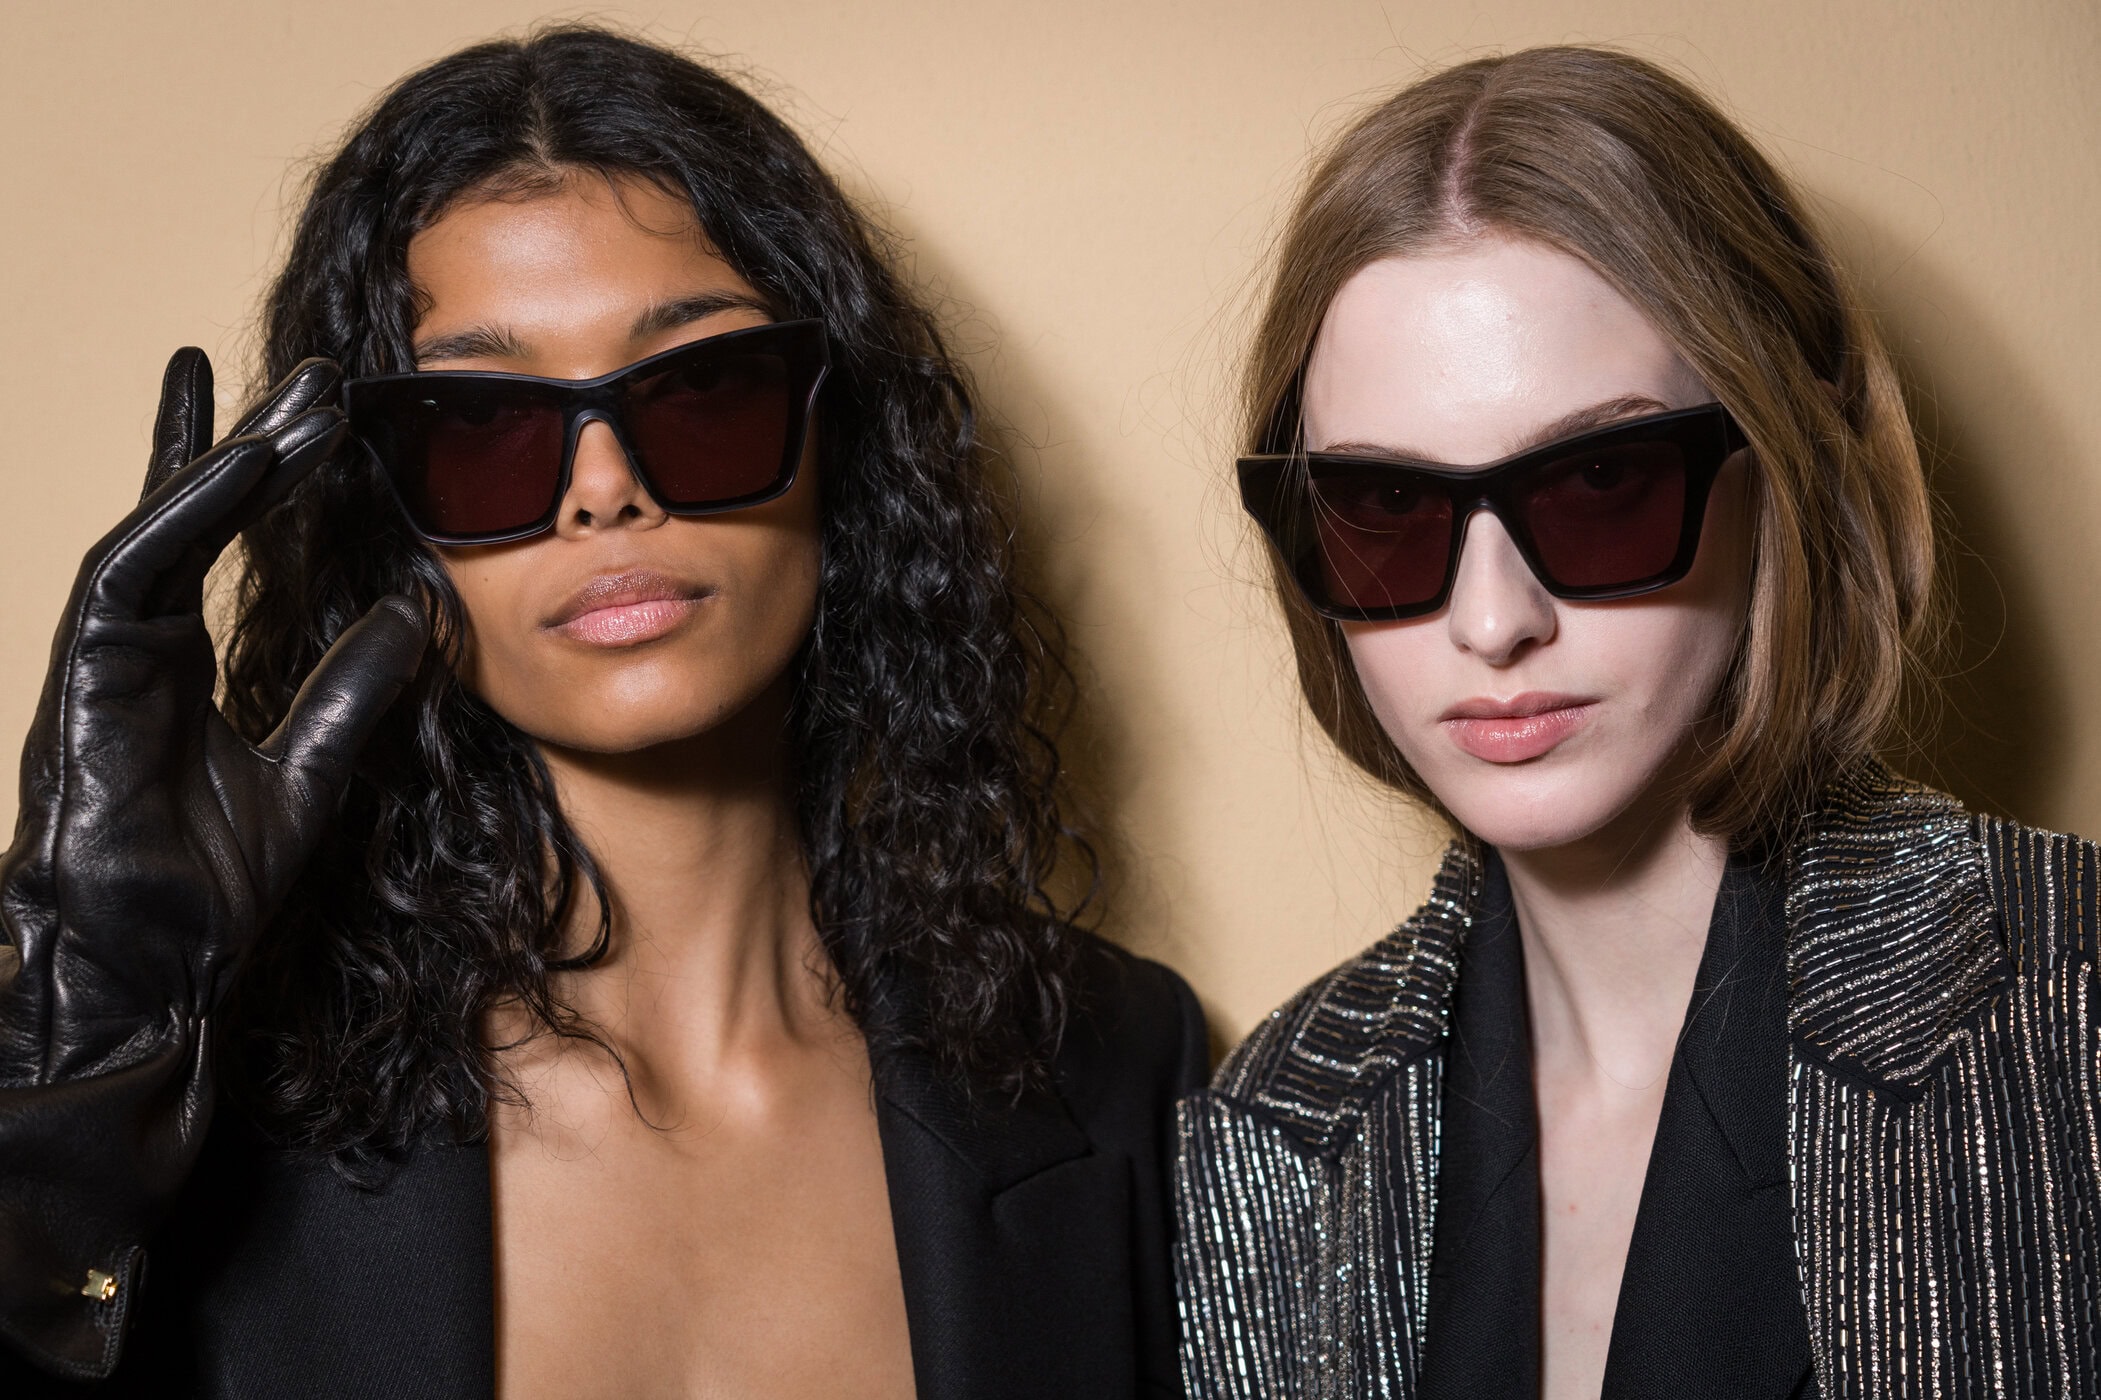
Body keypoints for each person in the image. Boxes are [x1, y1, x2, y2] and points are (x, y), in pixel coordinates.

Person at [0, 25, 1203, 1399]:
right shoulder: (206, 1106)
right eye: (480, 426)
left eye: (700, 388)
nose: (603, 487)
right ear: (383, 523)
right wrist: (78, 1050)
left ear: (840, 438)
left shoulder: (1119, 1067)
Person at [1174, 44, 2099, 1400]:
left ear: (1783, 477)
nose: (1492, 621)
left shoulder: (2071, 1012)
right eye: (1386, 508)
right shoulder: (1268, 1123)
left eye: (1600, 481)